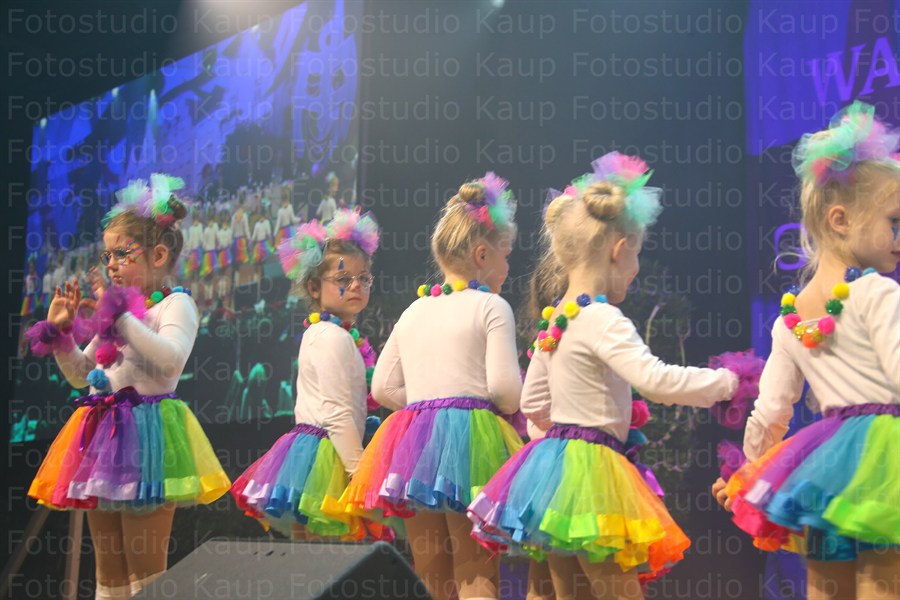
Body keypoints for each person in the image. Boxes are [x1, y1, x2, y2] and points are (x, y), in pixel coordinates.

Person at [468, 154, 745, 600]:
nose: (635, 269)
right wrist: (726, 383)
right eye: (636, 254)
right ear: (620, 249)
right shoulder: (602, 318)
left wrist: (559, 444)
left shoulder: (558, 318)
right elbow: (655, 380)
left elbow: (534, 401)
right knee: (619, 592)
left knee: (570, 593)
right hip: (592, 471)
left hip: (554, 471)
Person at [714, 101, 899, 600]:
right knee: (884, 583)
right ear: (840, 220)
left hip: (824, 469)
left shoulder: (788, 319)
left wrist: (745, 472)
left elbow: (772, 412)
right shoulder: (877, 291)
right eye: (895, 222)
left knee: (826, 588)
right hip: (888, 463)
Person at [25, 174, 230, 600]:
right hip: (103, 438)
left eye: (122, 253)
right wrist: (62, 335)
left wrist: (118, 316)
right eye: (108, 255)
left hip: (146, 442)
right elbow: (82, 374)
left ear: (159, 255)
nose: (111, 264)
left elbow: (170, 359)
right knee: (110, 574)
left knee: (145, 574)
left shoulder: (177, 304)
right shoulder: (118, 313)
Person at [332, 173, 523, 600]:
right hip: (472, 445)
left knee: (430, 570)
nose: (508, 267)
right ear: (482, 254)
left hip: (414, 449)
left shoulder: (414, 310)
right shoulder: (492, 306)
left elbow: (382, 388)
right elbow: (505, 391)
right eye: (506, 255)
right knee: (475, 570)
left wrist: (426, 406)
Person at [230, 208, 389, 541]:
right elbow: (336, 413)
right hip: (325, 457)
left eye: (364, 278)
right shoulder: (331, 336)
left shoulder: (331, 333)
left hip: (319, 455)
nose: (356, 286)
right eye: (343, 279)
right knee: (324, 554)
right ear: (315, 287)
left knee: (313, 554)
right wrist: (360, 474)